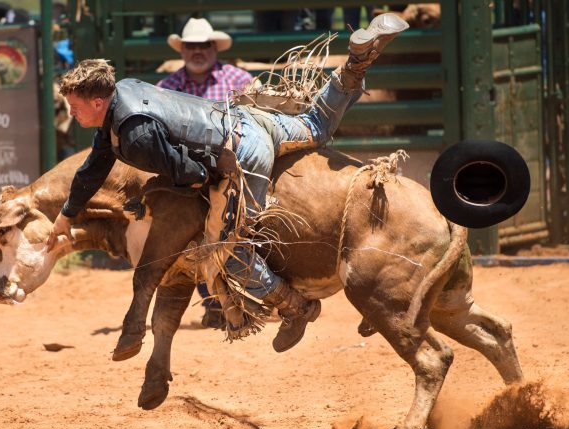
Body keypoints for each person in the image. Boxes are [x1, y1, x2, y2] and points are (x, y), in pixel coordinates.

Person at [47, 13, 409, 357]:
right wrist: (66, 215)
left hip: (241, 152)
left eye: (75, 106)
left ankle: (296, 308)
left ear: (97, 101)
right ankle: (354, 65)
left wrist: (200, 185)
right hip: (249, 121)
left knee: (230, 249)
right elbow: (94, 166)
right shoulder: (123, 91)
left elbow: (187, 171)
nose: (72, 113)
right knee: (317, 127)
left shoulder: (135, 133)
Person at [157, 17, 254, 329]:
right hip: (190, 176)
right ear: (183, 49)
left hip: (236, 172)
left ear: (214, 47)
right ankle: (214, 300)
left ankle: (241, 296)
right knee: (191, 235)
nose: (197, 51)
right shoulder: (166, 88)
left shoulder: (239, 80)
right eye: (191, 46)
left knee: (243, 231)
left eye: (204, 45)